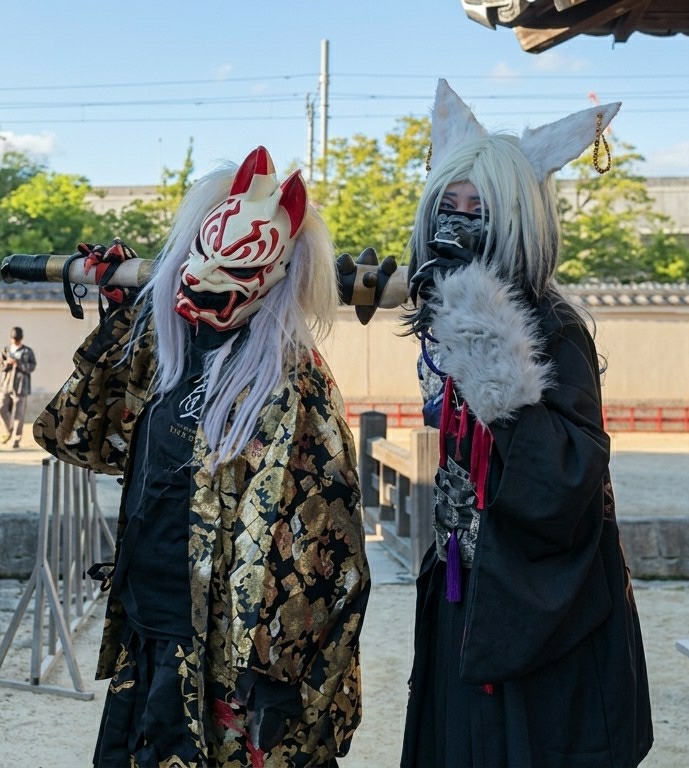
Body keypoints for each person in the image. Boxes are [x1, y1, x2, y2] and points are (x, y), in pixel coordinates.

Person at [34, 145, 370, 768]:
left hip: (228, 655)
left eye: (235, 270)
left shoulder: (293, 382)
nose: (209, 284)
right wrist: (123, 312)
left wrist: (277, 668)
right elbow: (76, 434)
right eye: (201, 260)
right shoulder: (164, 348)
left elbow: (323, 534)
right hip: (149, 625)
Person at [399, 80, 653, 768]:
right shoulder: (445, 312)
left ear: (517, 221)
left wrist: (491, 357)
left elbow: (566, 475)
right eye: (447, 206)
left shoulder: (553, 327)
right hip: (464, 575)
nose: (458, 224)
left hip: (535, 592)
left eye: (478, 210)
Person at [1, 326, 37, 448]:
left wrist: (19, 365)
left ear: (21, 339)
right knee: (2, 407)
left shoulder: (27, 351)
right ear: (10, 338)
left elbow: (32, 366)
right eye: (14, 339)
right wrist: (7, 363)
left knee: (18, 413)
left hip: (21, 386)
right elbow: (1, 365)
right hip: (6, 385)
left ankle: (16, 439)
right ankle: (10, 430)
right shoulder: (5, 350)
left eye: (17, 339)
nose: (15, 341)